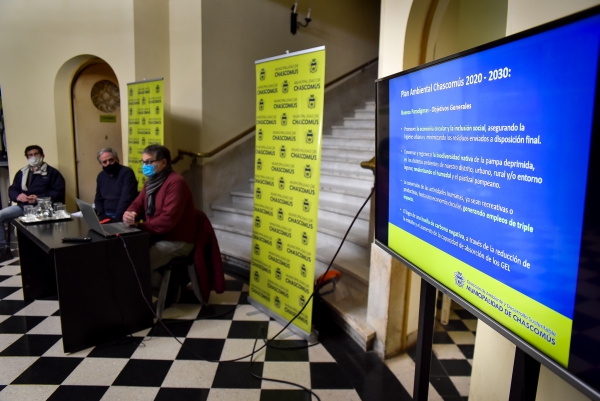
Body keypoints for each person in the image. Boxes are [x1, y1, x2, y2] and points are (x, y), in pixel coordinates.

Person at [123, 145, 196, 291]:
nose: (145, 166)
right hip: (157, 235)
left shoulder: (176, 182)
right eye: (143, 162)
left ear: (163, 162)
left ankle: (170, 290)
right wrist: (129, 214)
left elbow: (167, 220)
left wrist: (138, 226)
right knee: (126, 256)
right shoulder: (150, 183)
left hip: (176, 240)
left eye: (149, 162)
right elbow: (136, 204)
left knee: (137, 262)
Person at [1, 145, 65, 260]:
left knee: (33, 225)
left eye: (36, 154)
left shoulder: (53, 173)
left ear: (42, 156)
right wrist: (18, 196)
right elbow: (12, 189)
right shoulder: (22, 172)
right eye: (30, 155)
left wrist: (39, 198)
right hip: (23, 207)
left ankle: (40, 253)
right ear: (27, 157)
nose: (33, 157)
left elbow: (58, 192)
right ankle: (4, 249)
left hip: (43, 208)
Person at [94, 147, 138, 222]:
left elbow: (126, 199)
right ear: (101, 165)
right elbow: (98, 198)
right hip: (105, 214)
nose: (108, 163)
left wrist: (117, 220)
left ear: (117, 159)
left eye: (111, 160)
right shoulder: (101, 176)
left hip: (123, 215)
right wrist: (101, 214)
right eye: (104, 162)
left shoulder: (127, 173)